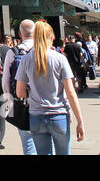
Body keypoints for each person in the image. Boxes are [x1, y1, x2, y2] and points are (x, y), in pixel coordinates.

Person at [15, 21, 85, 155]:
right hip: (59, 115)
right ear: (51, 37)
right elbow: (70, 92)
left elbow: (20, 92)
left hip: (36, 116)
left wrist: (34, 91)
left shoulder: (26, 59)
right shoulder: (60, 59)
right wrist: (80, 121)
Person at [1, 19, 36, 155]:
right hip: (43, 102)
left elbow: (6, 79)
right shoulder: (43, 50)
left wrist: (8, 98)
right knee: (47, 143)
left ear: (20, 34)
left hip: (22, 102)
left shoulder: (13, 52)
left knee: (28, 143)